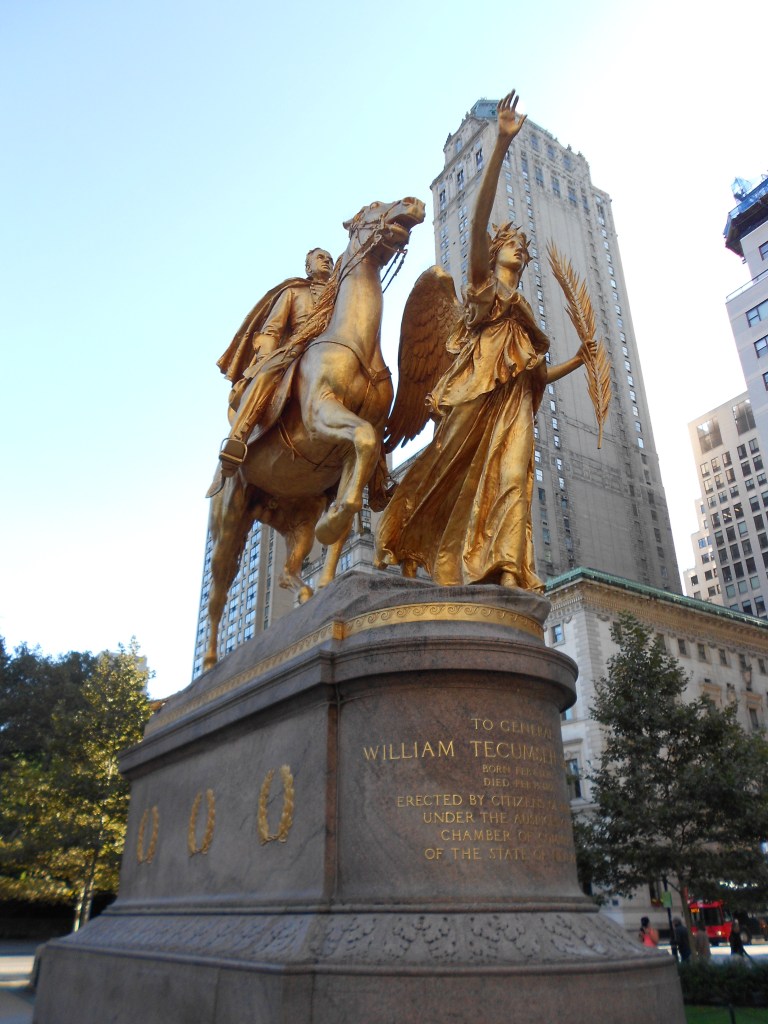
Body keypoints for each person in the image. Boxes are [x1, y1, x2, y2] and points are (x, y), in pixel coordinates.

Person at [375, 90, 585, 589]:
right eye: (514, 244)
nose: (522, 250)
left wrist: (577, 361)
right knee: (443, 468)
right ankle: (401, 532)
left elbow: (534, 374)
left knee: (514, 479)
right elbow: (475, 218)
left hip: (513, 404)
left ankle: (508, 568)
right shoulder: (483, 290)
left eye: (524, 249)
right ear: (495, 254)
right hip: (473, 393)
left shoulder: (524, 320)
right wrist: (500, 147)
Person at [214, 247, 334, 475]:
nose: (327, 261)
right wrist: (264, 358)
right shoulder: (293, 292)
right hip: (297, 348)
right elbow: (272, 329)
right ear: (308, 267)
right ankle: (238, 435)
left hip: (333, 351)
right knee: (268, 373)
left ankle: (377, 473)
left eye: (330, 259)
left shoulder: (341, 295)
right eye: (321, 258)